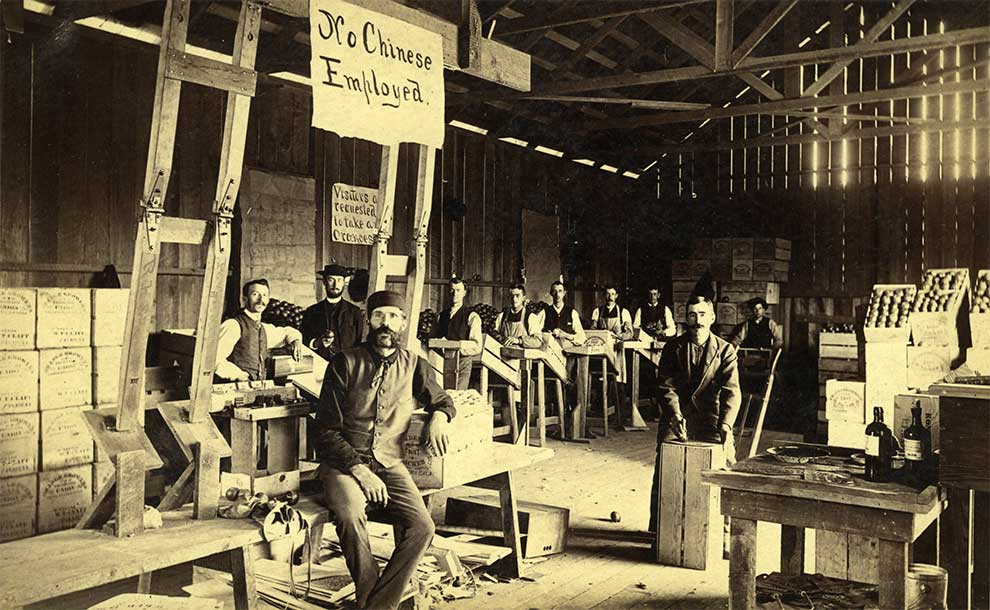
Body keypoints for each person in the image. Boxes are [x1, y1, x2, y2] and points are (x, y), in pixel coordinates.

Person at [316, 290, 455, 610]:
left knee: (423, 527)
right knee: (350, 516)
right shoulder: (344, 362)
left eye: (393, 316)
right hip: (343, 466)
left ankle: (376, 605)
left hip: (390, 463)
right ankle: (372, 596)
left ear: (404, 323)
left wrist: (439, 416)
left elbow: (443, 399)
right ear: (369, 319)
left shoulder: (414, 364)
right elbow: (324, 432)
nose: (385, 323)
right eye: (379, 315)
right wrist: (360, 471)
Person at [215, 279, 303, 382]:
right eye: (255, 294)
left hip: (255, 388)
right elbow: (215, 359)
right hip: (233, 388)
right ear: (245, 299)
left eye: (265, 295)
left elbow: (288, 332)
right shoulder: (233, 325)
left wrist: (296, 341)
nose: (261, 300)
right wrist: (238, 375)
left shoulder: (264, 328)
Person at [301, 263, 367, 361]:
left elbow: (360, 343)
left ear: (344, 282)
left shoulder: (355, 313)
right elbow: (303, 341)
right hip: (319, 365)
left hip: (347, 366)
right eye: (331, 280)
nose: (335, 285)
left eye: (339, 280)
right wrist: (316, 343)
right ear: (324, 282)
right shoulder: (311, 312)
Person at [434, 277, 483, 390]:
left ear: (464, 293)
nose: (454, 293)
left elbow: (477, 345)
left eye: (458, 290)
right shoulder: (441, 316)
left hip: (462, 362)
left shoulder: (472, 316)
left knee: (457, 395)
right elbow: (435, 339)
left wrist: (456, 346)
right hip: (442, 362)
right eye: (452, 290)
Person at [544, 280, 586, 348]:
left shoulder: (572, 313)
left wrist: (566, 335)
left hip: (568, 352)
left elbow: (582, 338)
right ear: (551, 293)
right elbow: (537, 334)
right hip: (550, 352)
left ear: (564, 293)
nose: (557, 295)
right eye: (555, 291)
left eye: (560, 291)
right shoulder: (544, 312)